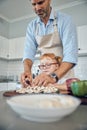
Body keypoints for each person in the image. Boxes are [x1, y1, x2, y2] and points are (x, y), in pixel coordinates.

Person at [21, 0, 78, 87]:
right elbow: (28, 55)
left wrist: (53, 77)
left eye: (40, 3)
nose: (37, 8)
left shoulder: (65, 20)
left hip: (64, 76)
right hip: (44, 77)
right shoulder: (32, 26)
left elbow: (71, 56)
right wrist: (27, 71)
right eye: (34, 4)